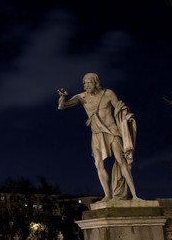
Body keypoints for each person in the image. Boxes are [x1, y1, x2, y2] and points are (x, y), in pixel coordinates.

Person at [58, 73, 138, 201]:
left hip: (112, 131)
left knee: (121, 160)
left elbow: (119, 109)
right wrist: (62, 97)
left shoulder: (108, 94)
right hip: (96, 133)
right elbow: (62, 106)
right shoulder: (82, 97)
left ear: (96, 82)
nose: (86, 85)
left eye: (89, 82)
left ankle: (134, 195)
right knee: (98, 164)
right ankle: (107, 195)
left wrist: (126, 117)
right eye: (84, 83)